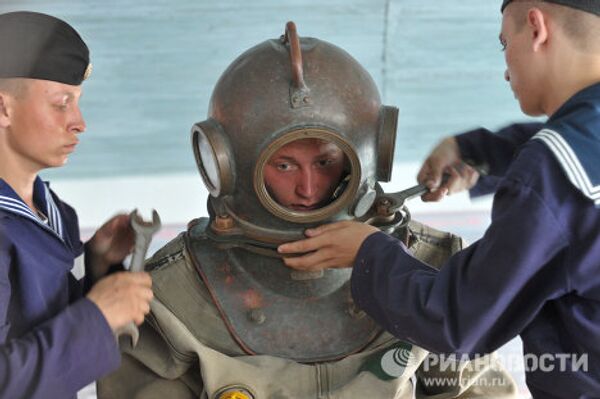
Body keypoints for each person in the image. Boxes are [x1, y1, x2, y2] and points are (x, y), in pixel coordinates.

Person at [98, 22, 517, 399]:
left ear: (372, 156)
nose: (308, 189)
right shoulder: (175, 297)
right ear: (225, 166)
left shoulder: (430, 269)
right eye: (283, 166)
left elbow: (479, 391)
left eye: (325, 162)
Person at [278, 1, 600, 397]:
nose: (505, 70)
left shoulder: (552, 172)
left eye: (505, 43)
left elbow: (457, 321)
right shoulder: (564, 160)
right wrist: (476, 150)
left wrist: (367, 252)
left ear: (536, 28)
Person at [0, 11, 154, 398]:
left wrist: (100, 265)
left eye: (78, 102)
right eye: (61, 103)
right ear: (3, 109)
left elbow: (38, 322)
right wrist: (99, 317)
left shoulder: (52, 210)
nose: (79, 122)